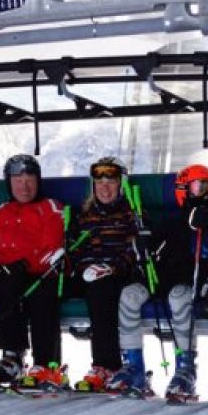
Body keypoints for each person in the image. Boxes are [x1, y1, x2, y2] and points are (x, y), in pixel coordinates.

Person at [107, 164, 208, 400]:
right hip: (159, 280)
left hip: (188, 283)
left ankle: (185, 368)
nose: (206, 194)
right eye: (199, 188)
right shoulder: (173, 222)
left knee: (178, 298)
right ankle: (133, 367)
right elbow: (150, 252)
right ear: (183, 191)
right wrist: (142, 246)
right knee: (129, 295)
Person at [0, 154, 66, 388]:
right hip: (7, 277)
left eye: (29, 181)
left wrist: (23, 265)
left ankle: (47, 363)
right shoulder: (2, 212)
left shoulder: (50, 208)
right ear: (9, 183)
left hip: (40, 274)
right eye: (18, 181)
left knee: (42, 294)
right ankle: (11, 356)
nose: (24, 187)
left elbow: (53, 248)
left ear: (38, 181)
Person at [69, 157, 138, 392]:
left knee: (101, 291)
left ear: (121, 185)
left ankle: (107, 365)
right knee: (47, 288)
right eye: (100, 184)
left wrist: (111, 268)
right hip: (87, 273)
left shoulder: (131, 214)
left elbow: (135, 250)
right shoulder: (84, 215)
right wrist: (84, 267)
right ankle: (44, 363)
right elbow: (75, 248)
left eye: (111, 183)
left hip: (117, 275)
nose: (105, 189)